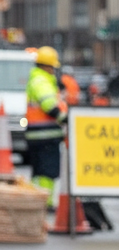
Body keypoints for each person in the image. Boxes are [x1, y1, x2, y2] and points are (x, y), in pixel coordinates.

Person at [24, 46, 67, 207]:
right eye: (52, 67)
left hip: (38, 134)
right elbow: (49, 105)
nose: (53, 70)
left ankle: (36, 201)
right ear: (46, 66)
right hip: (45, 134)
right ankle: (45, 202)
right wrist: (64, 118)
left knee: (38, 171)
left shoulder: (37, 79)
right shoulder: (41, 80)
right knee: (47, 171)